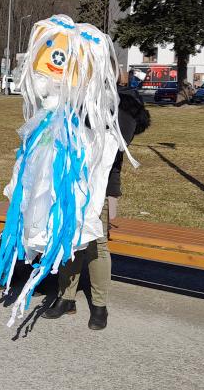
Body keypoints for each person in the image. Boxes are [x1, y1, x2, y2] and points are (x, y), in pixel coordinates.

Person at [42, 72, 149, 330]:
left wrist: (81, 109)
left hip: (99, 188)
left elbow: (112, 141)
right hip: (71, 183)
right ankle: (66, 297)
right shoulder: (80, 98)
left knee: (96, 244)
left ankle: (100, 306)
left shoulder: (126, 104)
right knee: (69, 238)